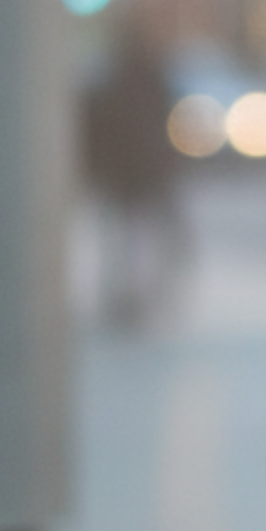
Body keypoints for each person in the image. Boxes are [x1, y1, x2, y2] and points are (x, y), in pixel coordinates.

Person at [81, 21, 184, 328]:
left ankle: (136, 294)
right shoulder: (134, 79)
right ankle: (132, 295)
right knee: (133, 239)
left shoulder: (131, 78)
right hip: (133, 172)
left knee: (134, 239)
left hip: (135, 172)